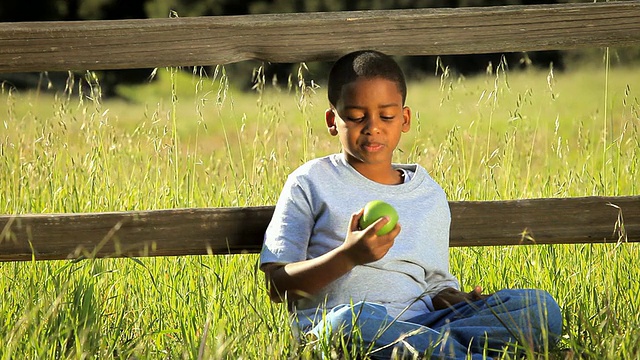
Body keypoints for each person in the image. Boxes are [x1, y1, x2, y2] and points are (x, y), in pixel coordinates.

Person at [259, 50, 562, 359]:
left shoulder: (426, 193)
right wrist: (348, 256)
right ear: (332, 120)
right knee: (346, 326)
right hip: (346, 326)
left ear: (404, 119)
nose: (373, 127)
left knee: (539, 308)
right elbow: (277, 286)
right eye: (355, 116)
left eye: (386, 116)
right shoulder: (310, 182)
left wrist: (458, 300)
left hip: (425, 325)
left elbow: (434, 289)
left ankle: (442, 353)